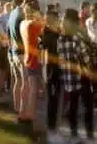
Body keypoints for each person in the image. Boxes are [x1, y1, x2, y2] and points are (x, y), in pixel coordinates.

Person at [58, 8, 94, 142]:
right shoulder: (77, 39)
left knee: (73, 105)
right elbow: (85, 59)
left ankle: (73, 133)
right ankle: (89, 133)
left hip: (68, 76)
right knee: (87, 105)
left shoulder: (60, 39)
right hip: (81, 76)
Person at [19, 0, 44, 134]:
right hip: (34, 58)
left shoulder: (23, 23)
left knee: (27, 88)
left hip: (27, 57)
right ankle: (32, 121)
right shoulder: (33, 24)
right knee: (34, 91)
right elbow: (44, 28)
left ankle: (23, 114)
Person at [40, 9, 63, 141]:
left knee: (54, 98)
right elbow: (44, 52)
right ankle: (52, 125)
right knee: (54, 98)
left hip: (52, 67)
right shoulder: (50, 35)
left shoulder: (49, 33)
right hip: (52, 68)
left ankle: (52, 124)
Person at [7, 0, 28, 122]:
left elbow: (8, 33)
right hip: (21, 52)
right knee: (25, 81)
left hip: (12, 52)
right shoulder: (21, 15)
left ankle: (16, 106)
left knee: (17, 80)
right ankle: (22, 110)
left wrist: (10, 51)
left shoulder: (11, 14)